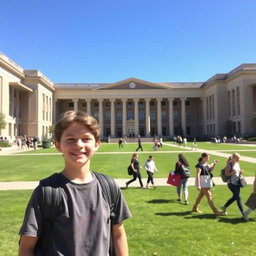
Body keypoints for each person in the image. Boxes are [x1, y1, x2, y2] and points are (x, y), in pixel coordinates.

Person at [18, 110, 131, 256]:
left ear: (97, 144)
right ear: (58, 145)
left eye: (85, 139)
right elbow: (27, 247)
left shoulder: (109, 187)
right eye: (70, 139)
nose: (79, 145)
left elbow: (118, 235)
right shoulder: (47, 191)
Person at [221, 153, 246, 219]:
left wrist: (240, 172)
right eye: (237, 158)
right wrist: (232, 173)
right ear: (233, 158)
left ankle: (224, 207)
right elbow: (226, 174)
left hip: (237, 183)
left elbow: (237, 172)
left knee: (235, 197)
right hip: (231, 184)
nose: (239, 160)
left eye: (239, 158)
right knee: (238, 197)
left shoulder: (237, 164)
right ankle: (243, 213)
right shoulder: (229, 164)